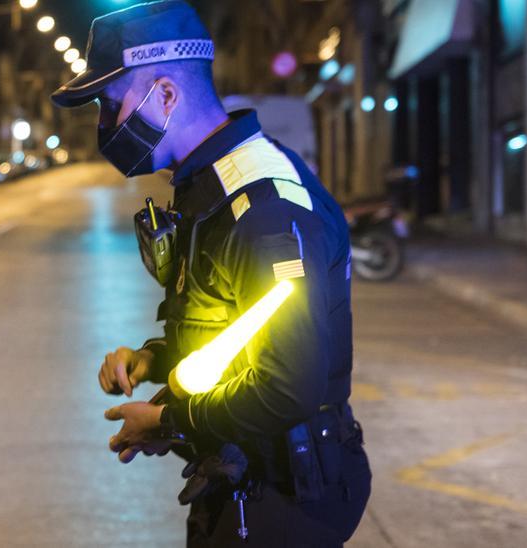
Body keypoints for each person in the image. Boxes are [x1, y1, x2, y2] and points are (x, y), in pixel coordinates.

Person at [51, 2, 371, 546]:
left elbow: (287, 384)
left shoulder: (262, 204)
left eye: (110, 104)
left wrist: (168, 423)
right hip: (245, 480)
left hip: (289, 494)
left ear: (167, 95)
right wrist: (156, 358)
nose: (104, 126)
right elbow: (234, 326)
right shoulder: (211, 187)